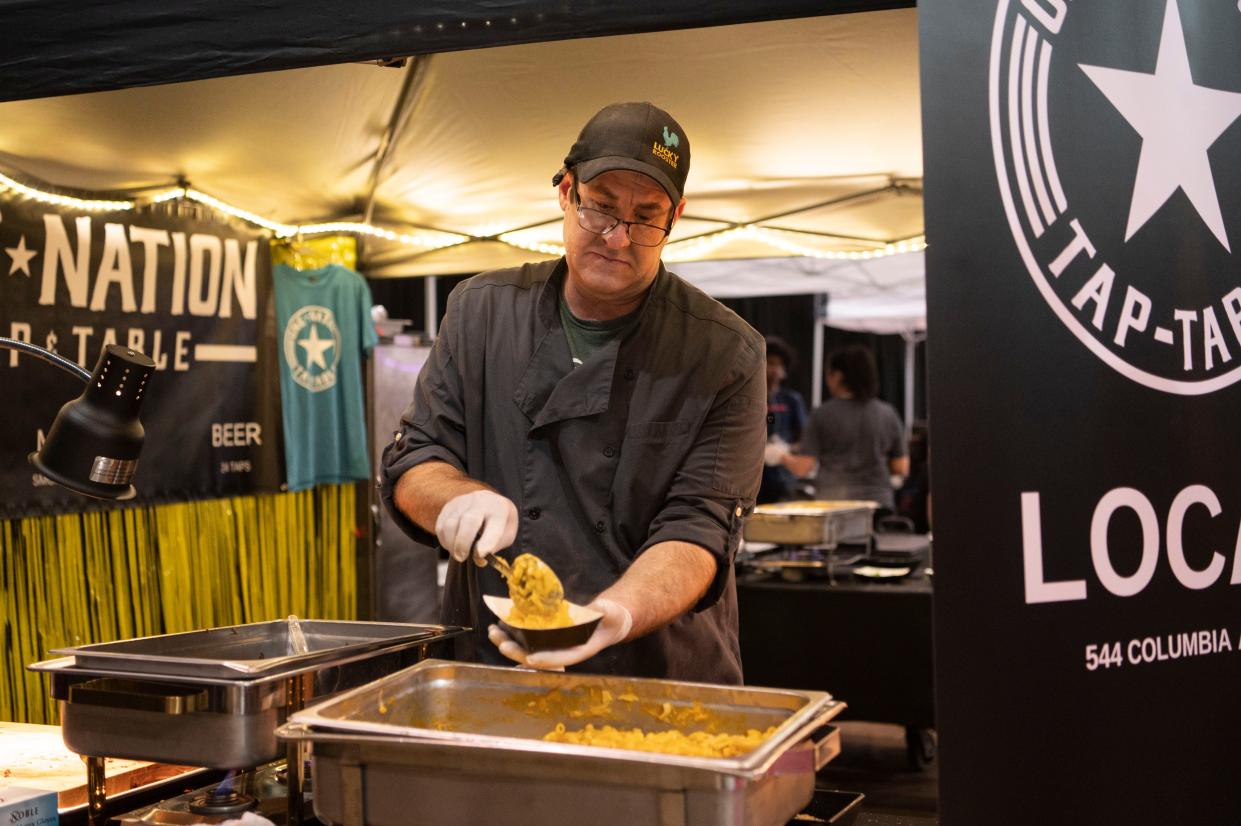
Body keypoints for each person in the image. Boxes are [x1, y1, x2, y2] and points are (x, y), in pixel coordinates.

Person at [380, 102, 767, 684]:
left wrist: (616, 613)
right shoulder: (481, 311)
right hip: (496, 665)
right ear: (566, 192)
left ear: (677, 216)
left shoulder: (725, 352)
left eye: (646, 217)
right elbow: (415, 458)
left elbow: (701, 525)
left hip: (657, 672)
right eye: (601, 209)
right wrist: (455, 498)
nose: (619, 238)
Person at [769, 346, 908, 512]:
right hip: (880, 503)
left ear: (837, 376)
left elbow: (803, 467)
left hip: (835, 505)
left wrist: (780, 455)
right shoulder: (887, 413)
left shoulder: (822, 414)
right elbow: (901, 467)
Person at [757, 336, 807, 504]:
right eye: (770, 363)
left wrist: (785, 450)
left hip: (784, 477)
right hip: (755, 476)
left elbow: (804, 438)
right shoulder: (751, 400)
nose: (774, 369)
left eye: (778, 364)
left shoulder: (791, 400)